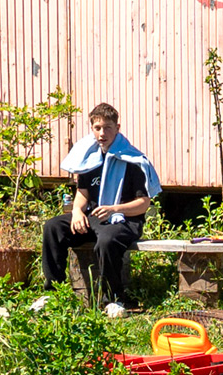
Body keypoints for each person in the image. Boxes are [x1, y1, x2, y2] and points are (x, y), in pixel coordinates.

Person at [38, 103, 160, 316]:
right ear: (92, 128)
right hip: (93, 217)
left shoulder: (132, 160)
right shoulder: (90, 157)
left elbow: (143, 204)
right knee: (53, 227)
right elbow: (82, 193)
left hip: (125, 220)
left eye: (108, 127)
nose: (102, 133)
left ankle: (113, 300)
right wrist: (76, 212)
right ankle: (53, 295)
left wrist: (114, 209)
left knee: (107, 241)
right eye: (97, 128)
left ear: (117, 127)